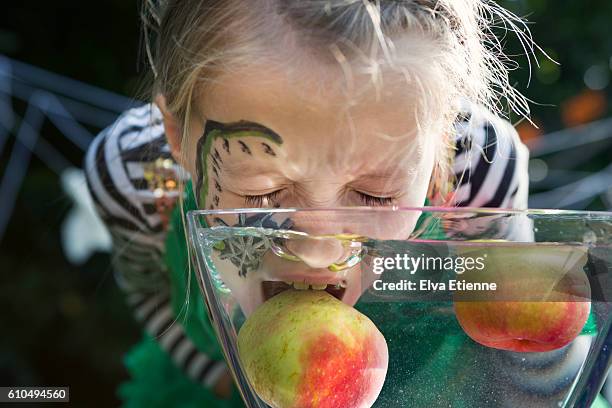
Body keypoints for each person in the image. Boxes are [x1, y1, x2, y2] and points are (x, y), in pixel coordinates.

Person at [82, 1, 596, 407]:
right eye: (260, 191)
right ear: (175, 136)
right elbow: (154, 298)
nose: (319, 251)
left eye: (376, 194)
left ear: (439, 141)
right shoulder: (138, 174)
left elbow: (515, 344)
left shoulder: (475, 165)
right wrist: (222, 380)